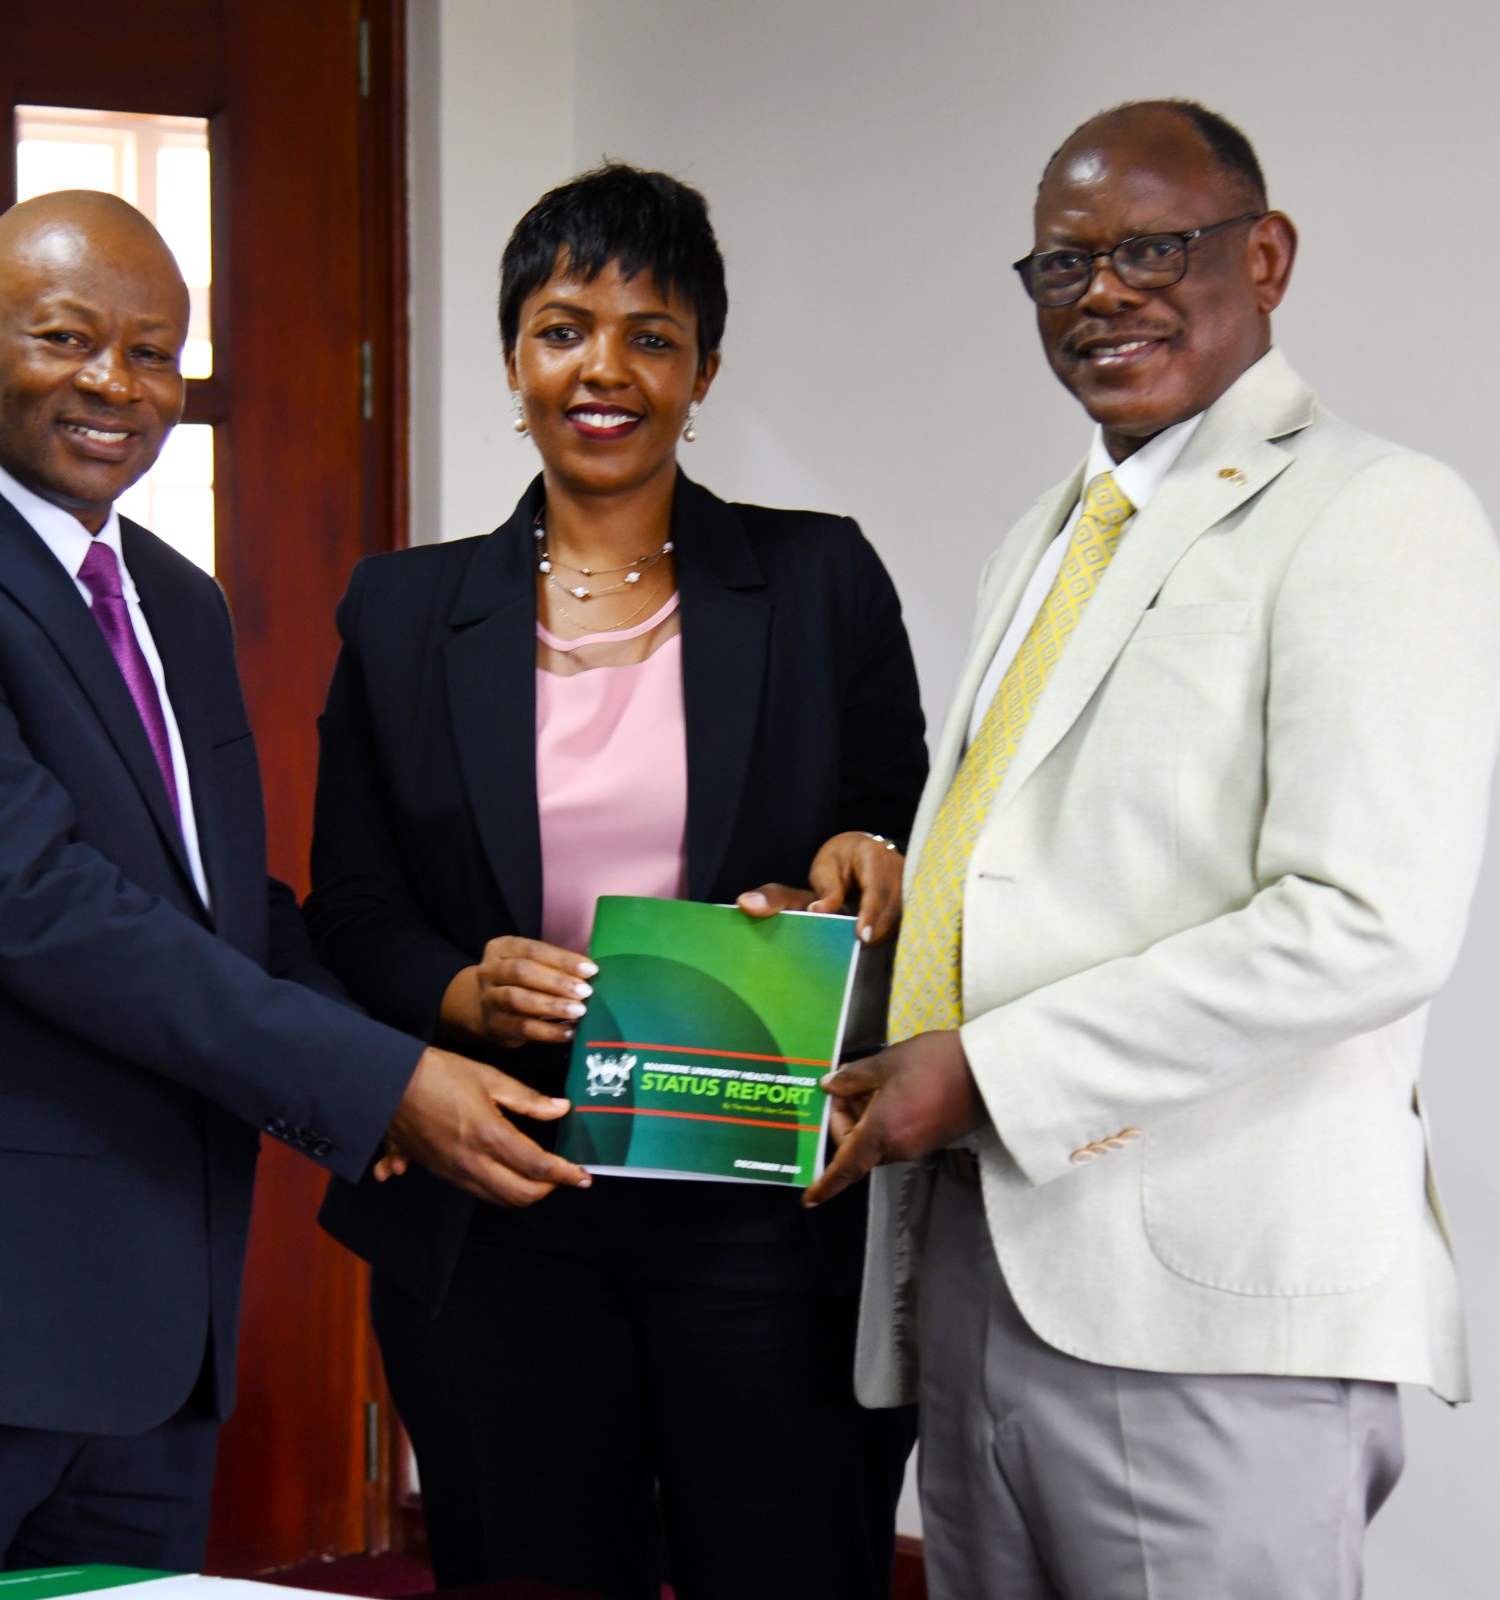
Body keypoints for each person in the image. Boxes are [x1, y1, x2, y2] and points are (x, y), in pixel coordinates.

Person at [0, 191, 590, 1592]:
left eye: (155, 354)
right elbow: (48, 911)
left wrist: (414, 1036)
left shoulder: (175, 596)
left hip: (155, 1343)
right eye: (67, 338)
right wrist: (370, 1083)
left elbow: (222, 907)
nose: (117, 385)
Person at [806, 102, 1500, 1597]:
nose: (1103, 295)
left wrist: (991, 1072)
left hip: (1209, 1314)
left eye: (1150, 250)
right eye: (1063, 267)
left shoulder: (1377, 511)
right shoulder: (1050, 533)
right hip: (987, 1271)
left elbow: (1365, 920)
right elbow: (1026, 869)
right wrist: (855, 968)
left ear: (1265, 257)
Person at [305, 164, 932, 1600]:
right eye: (564, 326)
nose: (606, 368)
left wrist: (861, 869)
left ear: (704, 368)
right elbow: (347, 904)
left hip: (759, 1199)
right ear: (515, 358)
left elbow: (891, 830)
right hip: (500, 1184)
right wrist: (460, 983)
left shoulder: (820, 579)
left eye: (651, 334)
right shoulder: (403, 610)